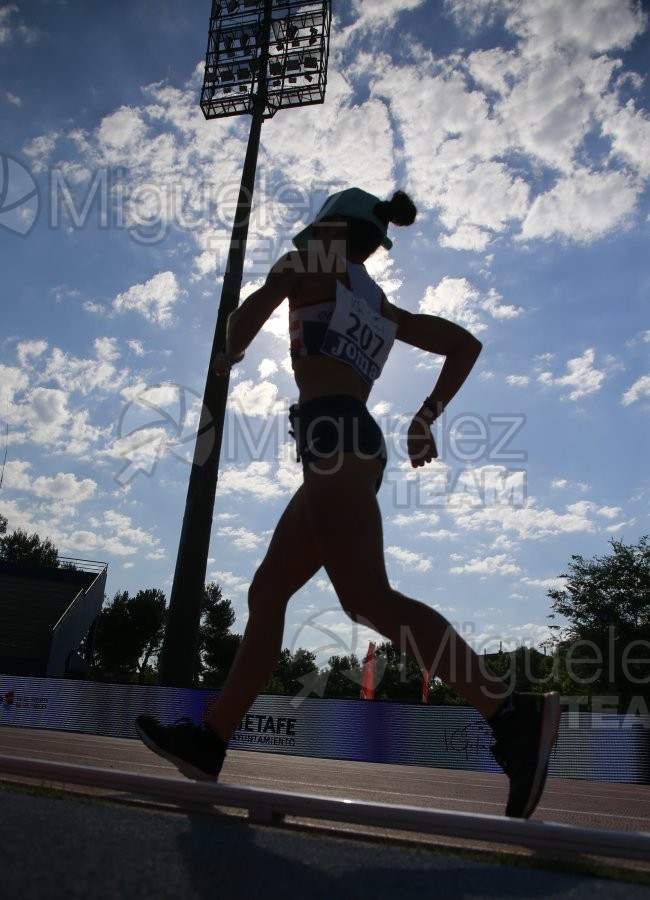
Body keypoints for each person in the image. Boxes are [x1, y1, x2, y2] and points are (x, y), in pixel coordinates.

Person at [136, 186, 560, 818]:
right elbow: (464, 344)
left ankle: (509, 711)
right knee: (268, 591)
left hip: (332, 439)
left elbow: (243, 313)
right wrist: (425, 418)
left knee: (365, 598)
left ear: (327, 227)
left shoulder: (307, 261)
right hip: (350, 443)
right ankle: (211, 739)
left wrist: (230, 352)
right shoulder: (378, 303)